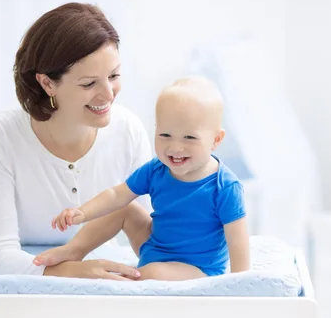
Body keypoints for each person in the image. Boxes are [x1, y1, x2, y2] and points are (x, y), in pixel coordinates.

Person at [0, 2, 162, 318]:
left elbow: (148, 229)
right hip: (28, 293)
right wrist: (75, 271)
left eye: (115, 75)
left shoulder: (127, 131)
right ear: (47, 83)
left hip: (106, 298)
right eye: (89, 83)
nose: (108, 94)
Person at [49, 76, 251, 280]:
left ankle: (134, 277)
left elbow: (238, 241)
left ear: (216, 140)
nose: (175, 147)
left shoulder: (224, 186)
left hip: (196, 269)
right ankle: (74, 250)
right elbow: (115, 194)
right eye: (165, 135)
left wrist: (240, 284)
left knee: (150, 273)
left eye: (189, 137)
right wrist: (82, 213)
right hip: (154, 247)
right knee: (125, 207)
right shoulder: (157, 169)